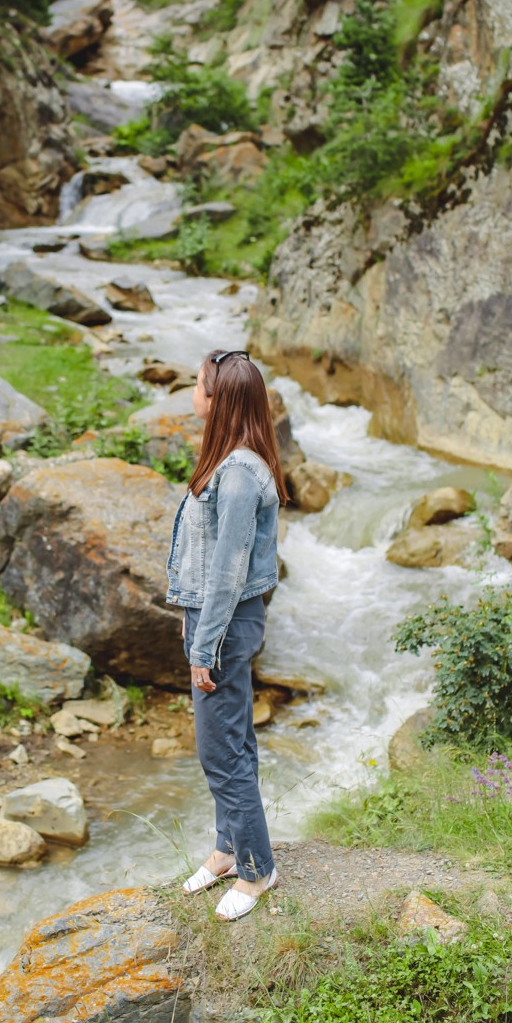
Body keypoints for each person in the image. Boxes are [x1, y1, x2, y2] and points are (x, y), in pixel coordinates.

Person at [166, 349, 287, 921]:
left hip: (224, 624)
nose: (191, 392)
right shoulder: (234, 458)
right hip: (221, 620)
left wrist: (202, 648)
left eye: (197, 384)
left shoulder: (238, 472)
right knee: (233, 738)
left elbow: (227, 571)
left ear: (219, 400)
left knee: (222, 751)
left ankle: (257, 870)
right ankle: (225, 850)